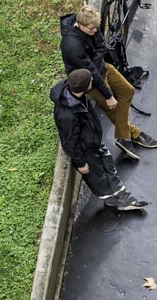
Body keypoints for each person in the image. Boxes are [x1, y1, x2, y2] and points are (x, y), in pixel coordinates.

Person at [60, 4, 157, 160]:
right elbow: (90, 70)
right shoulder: (71, 45)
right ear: (80, 25)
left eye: (96, 28)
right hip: (89, 79)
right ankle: (131, 135)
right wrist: (108, 95)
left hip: (102, 67)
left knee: (128, 91)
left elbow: (101, 46)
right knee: (112, 107)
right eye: (91, 29)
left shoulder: (91, 25)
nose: (95, 31)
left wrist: (95, 59)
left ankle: (124, 135)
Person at [51, 69, 149, 211]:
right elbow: (69, 140)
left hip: (93, 142)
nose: (93, 81)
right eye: (90, 81)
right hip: (87, 150)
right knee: (101, 178)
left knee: (109, 166)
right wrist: (80, 162)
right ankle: (116, 201)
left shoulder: (75, 93)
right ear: (84, 87)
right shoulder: (67, 115)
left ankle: (122, 196)